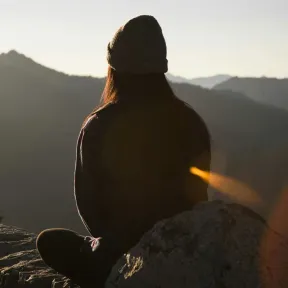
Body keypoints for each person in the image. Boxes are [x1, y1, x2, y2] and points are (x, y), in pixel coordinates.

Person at [36, 15, 211, 287]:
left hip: (122, 255)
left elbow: (91, 208)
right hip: (184, 248)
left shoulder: (98, 126)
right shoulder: (191, 123)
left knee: (49, 241)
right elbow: (199, 196)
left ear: (114, 69)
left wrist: (110, 242)